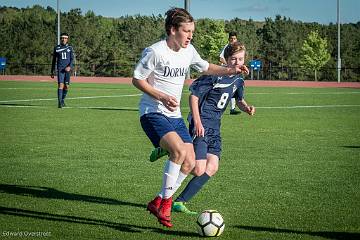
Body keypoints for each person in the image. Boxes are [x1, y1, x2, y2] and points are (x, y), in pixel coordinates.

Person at [132, 8, 248, 228]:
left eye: (192, 31)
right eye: (186, 31)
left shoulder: (189, 51)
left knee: (191, 162)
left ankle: (157, 200)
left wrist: (232, 69)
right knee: (177, 151)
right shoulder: (155, 52)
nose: (190, 35)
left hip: (174, 115)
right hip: (153, 112)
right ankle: (165, 204)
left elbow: (207, 67)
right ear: (173, 30)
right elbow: (137, 79)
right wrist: (161, 96)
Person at [150, 42, 255, 214]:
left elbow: (238, 100)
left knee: (212, 167)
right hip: (201, 124)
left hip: (215, 128)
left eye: (241, 59)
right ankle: (171, 149)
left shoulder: (239, 80)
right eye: (233, 59)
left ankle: (179, 202)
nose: (237, 62)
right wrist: (197, 122)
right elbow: (194, 97)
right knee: (198, 169)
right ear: (226, 59)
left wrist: (247, 108)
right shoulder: (214, 76)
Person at [219, 31, 241, 115]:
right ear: (229, 39)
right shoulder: (227, 47)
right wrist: (228, 65)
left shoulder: (237, 49)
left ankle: (232, 109)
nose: (233, 40)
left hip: (233, 71)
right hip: (226, 71)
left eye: (234, 38)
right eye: (231, 38)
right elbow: (220, 58)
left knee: (233, 88)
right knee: (223, 89)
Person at [51, 33, 74, 108]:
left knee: (66, 86)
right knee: (61, 85)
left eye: (65, 38)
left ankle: (63, 100)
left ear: (67, 39)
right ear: (60, 39)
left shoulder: (70, 48)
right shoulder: (57, 48)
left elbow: (72, 59)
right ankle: (59, 103)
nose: (63, 39)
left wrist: (69, 67)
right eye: (62, 38)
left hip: (67, 70)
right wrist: (52, 70)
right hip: (60, 70)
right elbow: (54, 60)